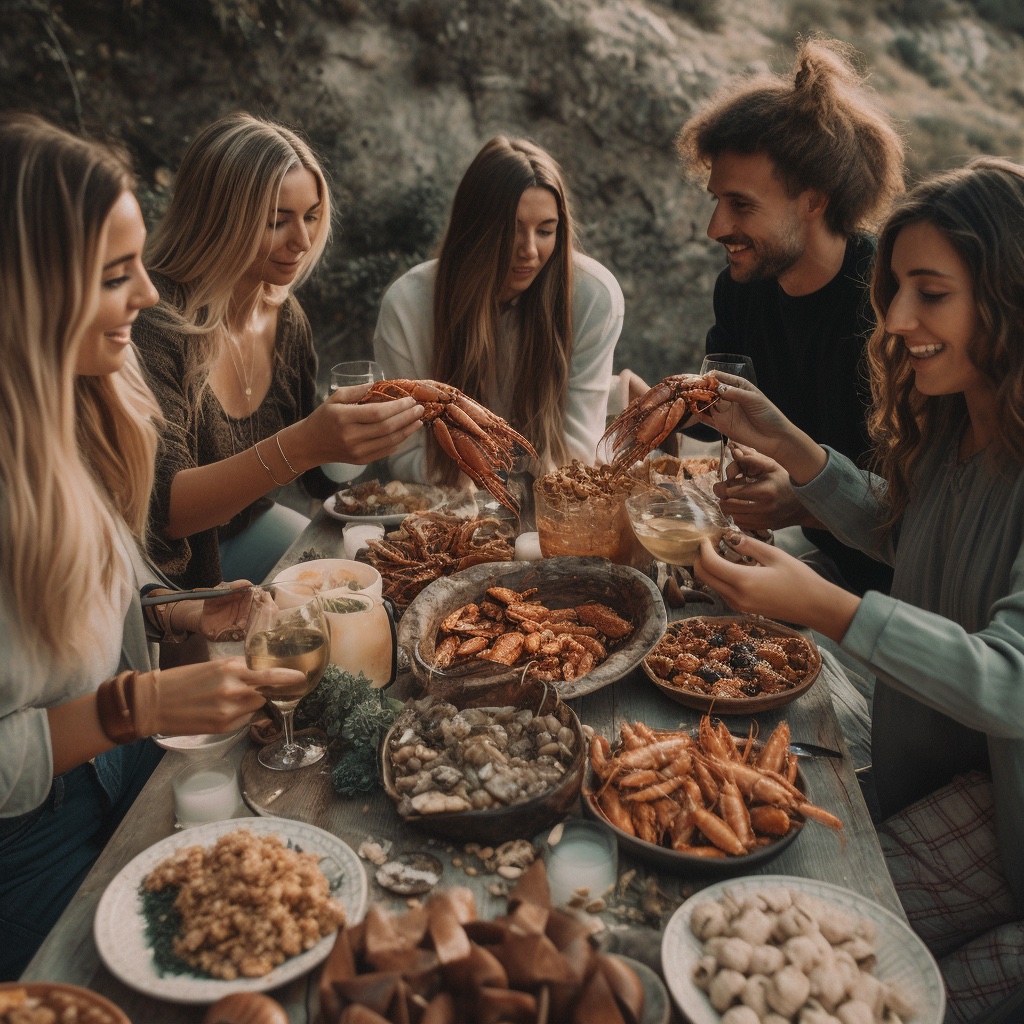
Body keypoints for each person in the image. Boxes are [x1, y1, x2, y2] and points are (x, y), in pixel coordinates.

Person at [693, 157, 1024, 1020]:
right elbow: (913, 531)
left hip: (1009, 822)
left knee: (842, 988)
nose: (898, 319)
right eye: (896, 290)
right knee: (765, 916)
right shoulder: (961, 421)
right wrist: (793, 446)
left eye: (931, 293)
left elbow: (1012, 680)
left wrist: (825, 607)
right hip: (962, 780)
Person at [0, 113, 307, 979]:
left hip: (128, 756)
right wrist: (130, 707)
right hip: (27, 839)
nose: (145, 294)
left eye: (139, 264)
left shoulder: (78, 406)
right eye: (115, 275)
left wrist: (179, 612)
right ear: (27, 292)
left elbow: (89, 597)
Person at [134, 113, 424, 590]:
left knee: (368, 580)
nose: (303, 241)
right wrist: (306, 443)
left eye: (310, 216)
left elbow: (319, 479)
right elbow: (165, 513)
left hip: (248, 529)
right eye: (276, 221)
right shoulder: (153, 322)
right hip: (162, 571)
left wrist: (352, 438)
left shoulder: (284, 316)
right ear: (217, 218)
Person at [675, 36, 905, 598]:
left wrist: (803, 503)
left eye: (741, 204)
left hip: (901, 600)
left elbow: (928, 513)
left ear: (814, 199)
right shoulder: (741, 291)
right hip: (816, 562)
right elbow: (724, 409)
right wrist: (663, 405)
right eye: (715, 201)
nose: (715, 228)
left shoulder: (897, 308)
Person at [373, 135, 624, 486]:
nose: (529, 250)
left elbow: (576, 452)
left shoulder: (594, 296)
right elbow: (405, 455)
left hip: (553, 502)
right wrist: (494, 469)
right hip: (447, 503)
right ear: (474, 228)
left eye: (545, 231)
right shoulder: (407, 306)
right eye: (512, 230)